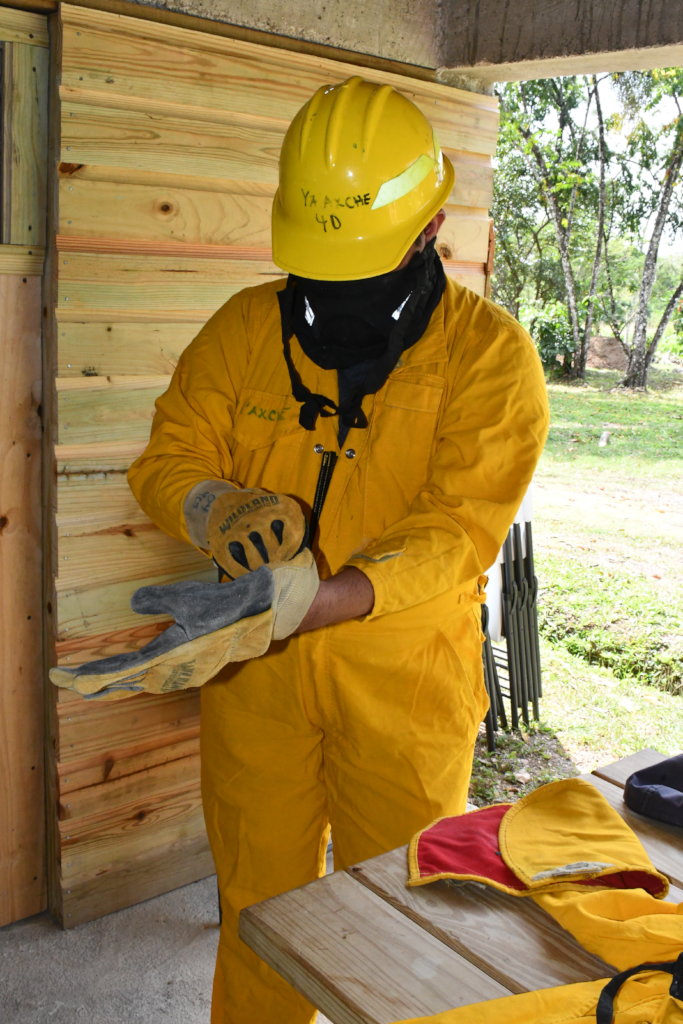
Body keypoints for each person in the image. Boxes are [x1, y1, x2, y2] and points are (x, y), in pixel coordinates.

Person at [127, 75, 549, 1024]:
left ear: (430, 223)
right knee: (260, 914)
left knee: (404, 922)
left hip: (405, 686)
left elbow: (457, 525)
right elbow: (170, 454)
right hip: (256, 682)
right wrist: (214, 505)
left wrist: (332, 595)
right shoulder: (243, 329)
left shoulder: (491, 360)